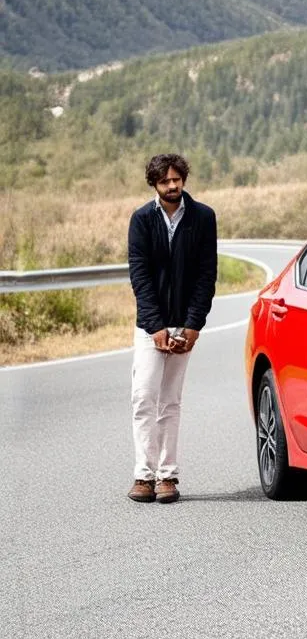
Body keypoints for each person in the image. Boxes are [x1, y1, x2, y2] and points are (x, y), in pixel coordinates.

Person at [126, 153, 217, 504]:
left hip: (184, 325)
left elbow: (206, 275)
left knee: (170, 402)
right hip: (151, 327)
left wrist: (193, 325)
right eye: (165, 181)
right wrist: (155, 326)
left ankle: (168, 476)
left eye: (177, 179)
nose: (173, 186)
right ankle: (143, 475)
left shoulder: (203, 217)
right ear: (154, 184)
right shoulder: (141, 220)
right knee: (143, 399)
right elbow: (140, 277)